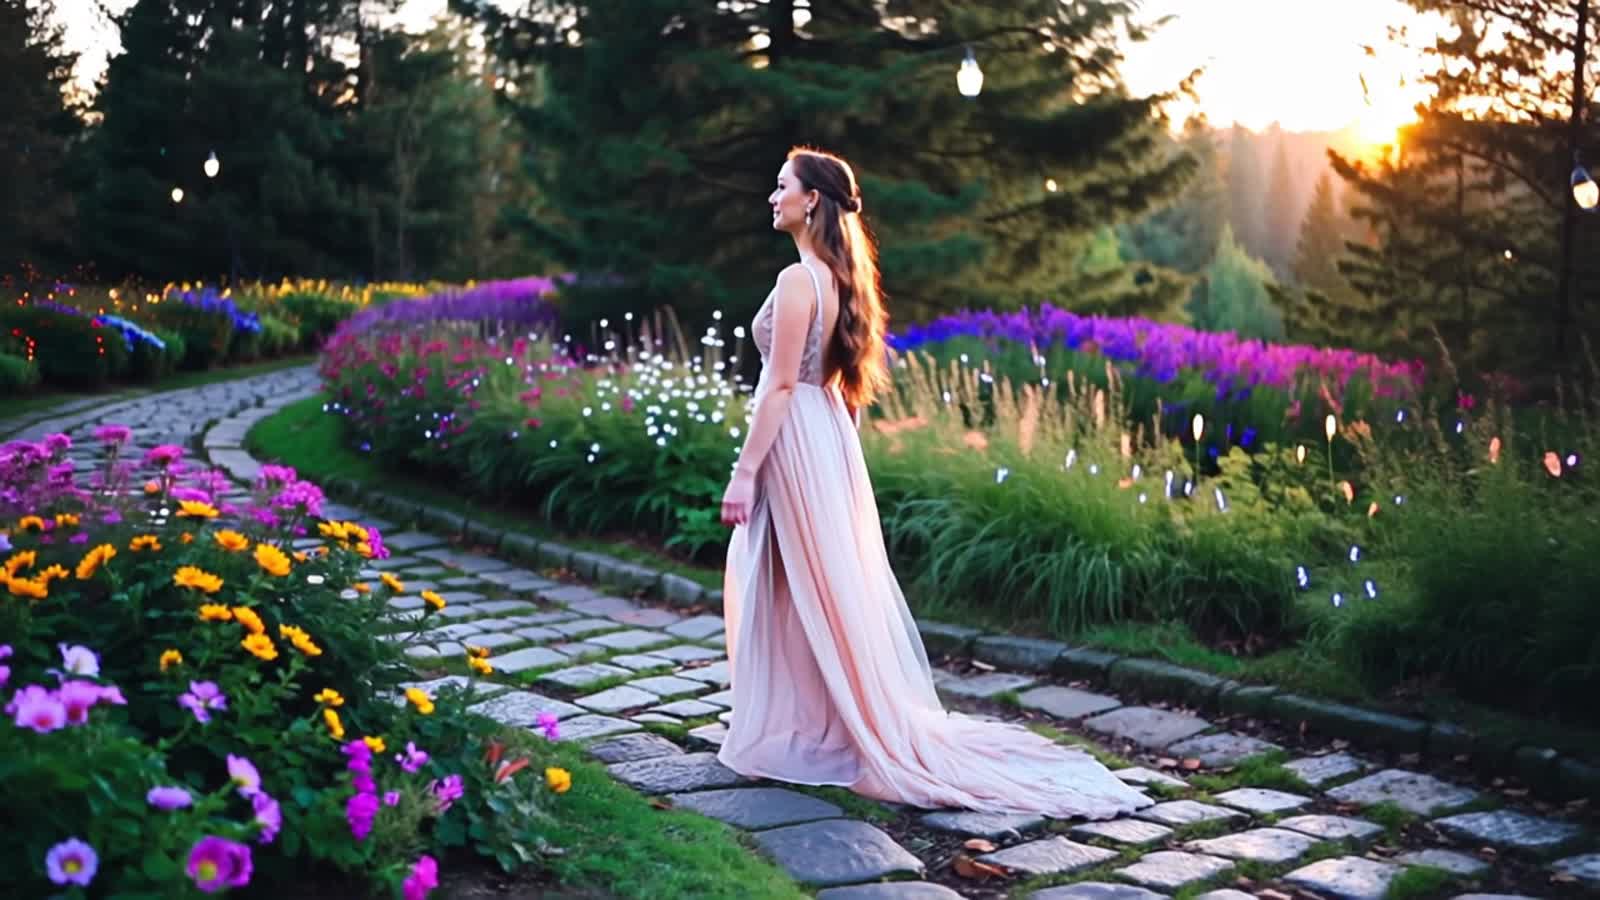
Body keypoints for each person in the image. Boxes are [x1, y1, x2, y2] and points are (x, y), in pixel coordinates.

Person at [716, 147, 1151, 819]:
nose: (771, 198)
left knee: (792, 583)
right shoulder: (839, 276)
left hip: (799, 433)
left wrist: (744, 475)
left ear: (811, 202)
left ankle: (815, 728)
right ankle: (805, 722)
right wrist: (839, 465)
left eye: (781, 188)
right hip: (825, 436)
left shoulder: (801, 280)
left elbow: (779, 384)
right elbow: (841, 390)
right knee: (807, 585)